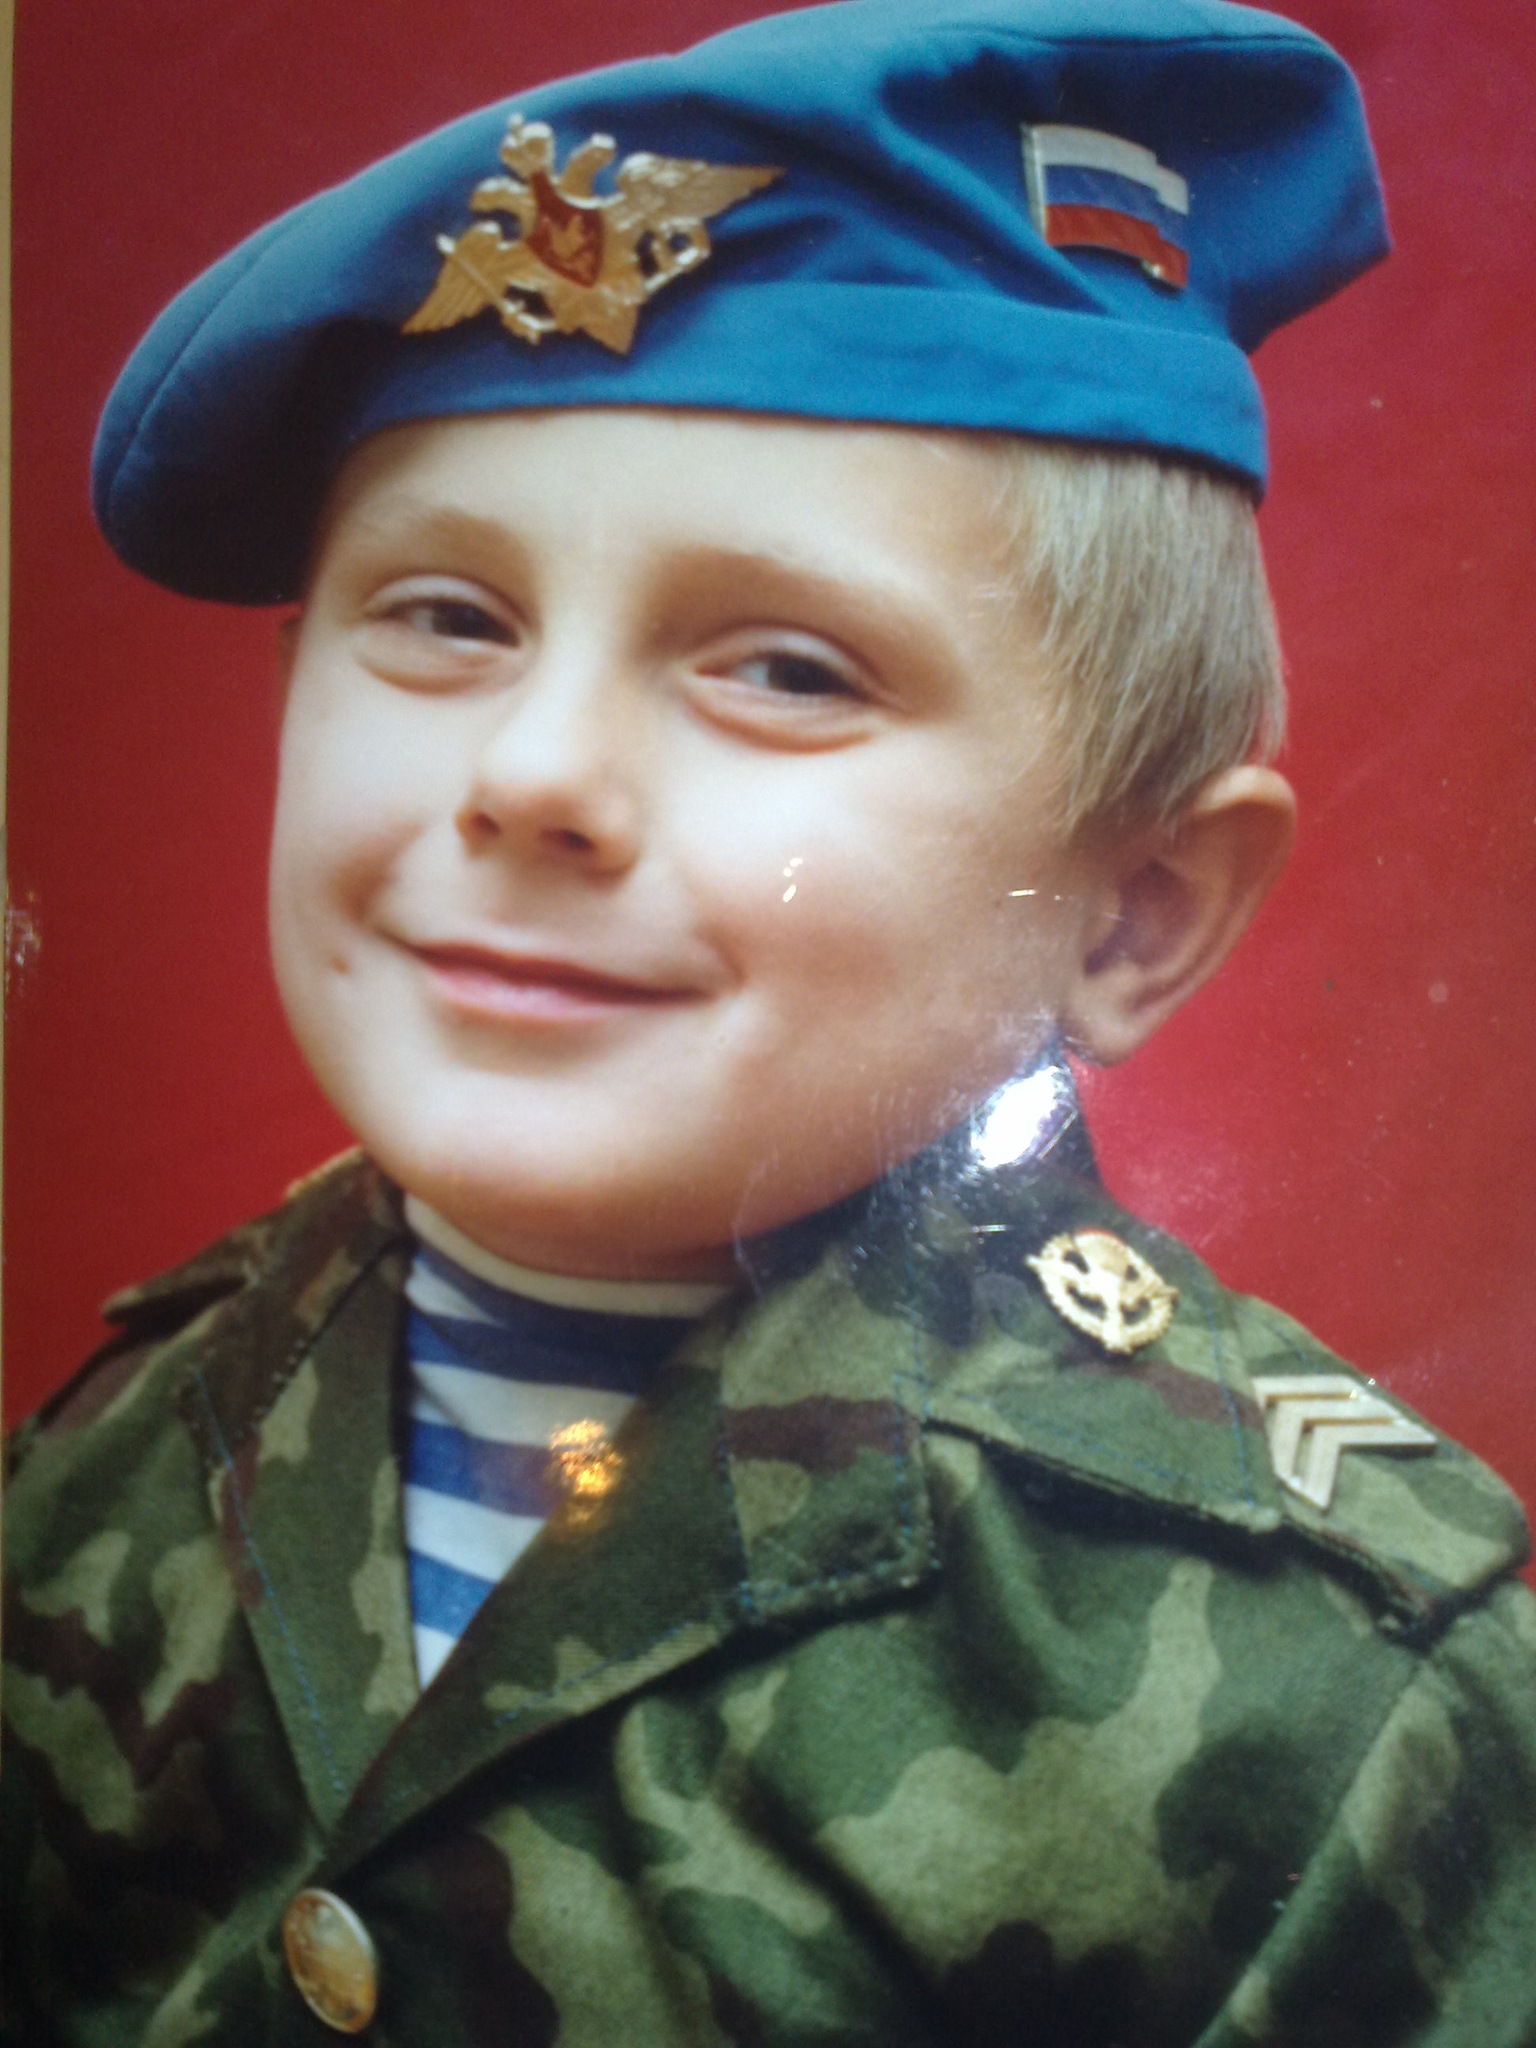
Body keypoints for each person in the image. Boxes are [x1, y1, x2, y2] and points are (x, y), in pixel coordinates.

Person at [5, 1, 1535, 2041]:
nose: (531, 774)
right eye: (445, 617)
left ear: (1134, 910)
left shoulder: (1342, 1707)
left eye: (790, 668)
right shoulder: (106, 1450)